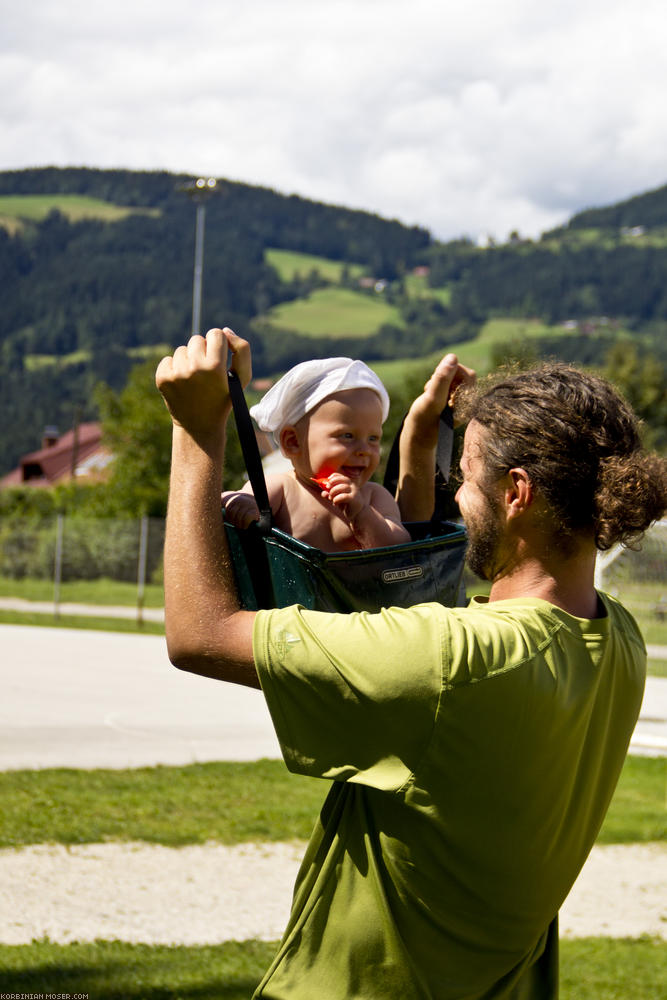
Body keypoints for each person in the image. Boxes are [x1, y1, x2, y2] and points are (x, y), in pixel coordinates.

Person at [156, 328, 666, 1000]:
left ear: (515, 493)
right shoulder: (620, 642)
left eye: (467, 478)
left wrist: (195, 434)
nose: (455, 497)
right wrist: (422, 431)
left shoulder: (452, 660)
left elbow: (198, 634)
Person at [221, 356, 411, 551]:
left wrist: (362, 513)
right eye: (347, 435)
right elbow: (232, 501)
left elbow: (400, 549)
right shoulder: (281, 489)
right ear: (293, 442)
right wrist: (240, 505)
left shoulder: (374, 497)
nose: (364, 450)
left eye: (373, 439)